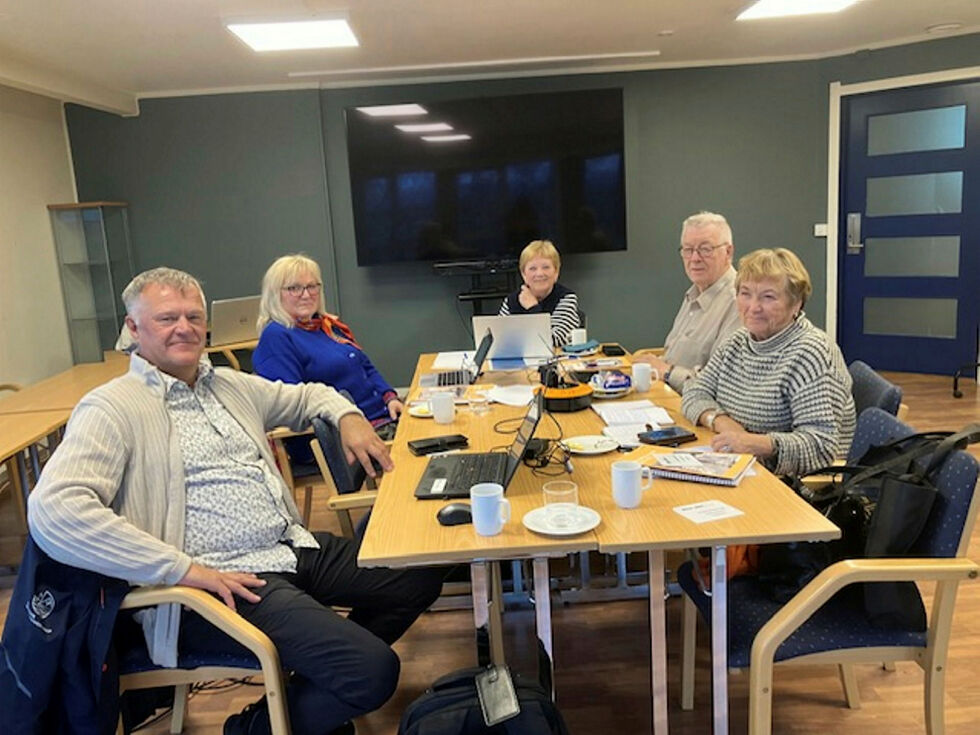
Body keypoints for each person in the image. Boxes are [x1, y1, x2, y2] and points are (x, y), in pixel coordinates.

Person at [27, 267, 444, 735]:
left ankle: (308, 691)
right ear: (133, 328)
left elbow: (309, 395)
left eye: (193, 316)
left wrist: (347, 415)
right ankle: (255, 728)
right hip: (216, 584)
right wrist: (182, 570)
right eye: (166, 318)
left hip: (289, 548)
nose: (184, 327)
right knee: (372, 670)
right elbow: (54, 509)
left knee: (421, 569)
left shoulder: (228, 384)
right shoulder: (112, 408)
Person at [681, 248, 855, 477]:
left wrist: (756, 443)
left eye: (768, 297)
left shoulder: (812, 354)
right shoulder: (738, 341)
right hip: (740, 465)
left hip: (793, 486)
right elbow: (694, 391)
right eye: (745, 293)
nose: (753, 307)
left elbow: (820, 446)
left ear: (796, 304)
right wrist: (721, 421)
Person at [253, 254, 404, 450]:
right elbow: (293, 405)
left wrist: (390, 397)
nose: (306, 295)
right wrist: (353, 423)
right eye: (294, 288)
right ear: (275, 294)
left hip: (380, 418)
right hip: (340, 439)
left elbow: (365, 366)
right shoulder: (277, 336)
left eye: (312, 286)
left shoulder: (326, 325)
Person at [633, 211, 740, 394]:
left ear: (728, 252)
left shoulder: (740, 302)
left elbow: (721, 384)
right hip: (666, 397)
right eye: (688, 250)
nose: (695, 258)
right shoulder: (695, 293)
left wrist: (666, 371)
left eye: (705, 249)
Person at [498, 239, 580, 346]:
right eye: (532, 268)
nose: (540, 273)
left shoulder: (566, 299)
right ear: (524, 275)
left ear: (556, 272)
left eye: (546, 267)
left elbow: (552, 341)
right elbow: (499, 340)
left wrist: (533, 308)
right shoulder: (511, 301)